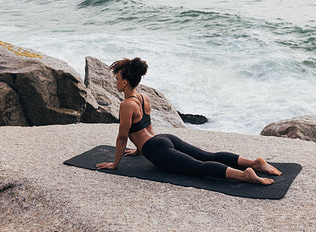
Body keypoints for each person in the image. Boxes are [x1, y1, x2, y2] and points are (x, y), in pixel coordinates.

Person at [96, 57, 282, 185]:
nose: (115, 82)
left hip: (156, 149)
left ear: (125, 82)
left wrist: (115, 164)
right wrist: (138, 150)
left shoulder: (126, 105)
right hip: (165, 139)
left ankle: (243, 175)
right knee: (208, 155)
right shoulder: (143, 97)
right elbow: (145, 125)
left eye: (117, 78)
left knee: (197, 166)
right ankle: (254, 163)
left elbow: (122, 137)